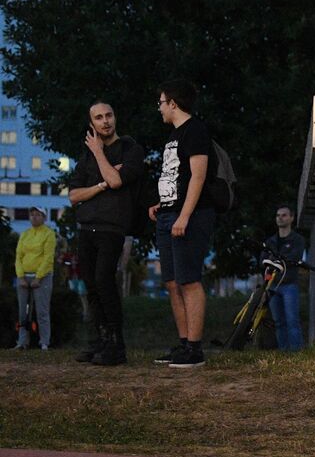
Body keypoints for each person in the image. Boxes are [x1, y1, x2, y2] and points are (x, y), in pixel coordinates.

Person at [68, 101, 146, 366]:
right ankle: (98, 342)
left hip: (111, 227)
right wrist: (101, 185)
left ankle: (116, 345)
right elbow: (74, 196)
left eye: (109, 115)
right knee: (91, 285)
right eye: (99, 117)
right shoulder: (86, 156)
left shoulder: (130, 149)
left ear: (115, 117)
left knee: (104, 281)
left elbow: (116, 180)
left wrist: (100, 154)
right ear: (92, 123)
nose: (105, 121)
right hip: (86, 228)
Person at [150, 79, 218, 369]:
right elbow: (177, 177)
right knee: (172, 282)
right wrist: (163, 203)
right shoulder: (173, 136)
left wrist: (185, 215)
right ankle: (183, 343)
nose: (159, 108)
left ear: (173, 103)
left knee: (189, 280)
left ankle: (195, 349)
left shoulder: (195, 130)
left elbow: (198, 177)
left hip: (190, 216)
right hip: (169, 214)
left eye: (161, 102)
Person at [263, 205, 308, 351]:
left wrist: (276, 260)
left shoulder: (297, 240)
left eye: (284, 215)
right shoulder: (270, 241)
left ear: (291, 218)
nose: (280, 218)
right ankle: (283, 351)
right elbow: (263, 259)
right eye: (278, 215)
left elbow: (294, 257)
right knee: (278, 322)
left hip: (289, 284)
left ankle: (296, 352)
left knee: (292, 320)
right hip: (273, 285)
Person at [14, 207, 57, 351]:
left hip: (42, 277)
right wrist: (21, 276)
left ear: (44, 217)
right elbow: (18, 256)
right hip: (24, 276)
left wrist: (38, 277)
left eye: (38, 215)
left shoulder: (49, 234)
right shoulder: (25, 234)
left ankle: (44, 342)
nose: (34, 217)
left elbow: (48, 258)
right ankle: (22, 342)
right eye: (32, 215)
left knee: (42, 311)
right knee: (23, 311)